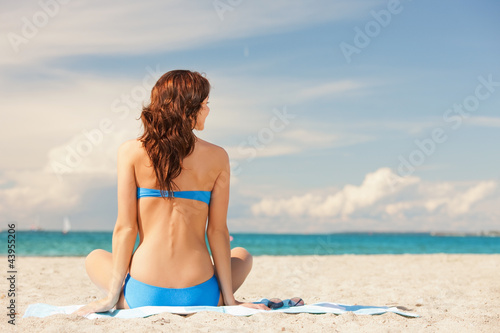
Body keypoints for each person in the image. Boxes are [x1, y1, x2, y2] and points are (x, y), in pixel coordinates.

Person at [76, 70, 269, 315]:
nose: (208, 110)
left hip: (143, 293)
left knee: (95, 257)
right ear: (189, 109)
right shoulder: (218, 157)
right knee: (243, 255)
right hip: (202, 293)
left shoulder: (130, 152)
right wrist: (229, 299)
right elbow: (217, 230)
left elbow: (126, 228)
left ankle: (120, 292)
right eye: (205, 104)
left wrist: (112, 296)